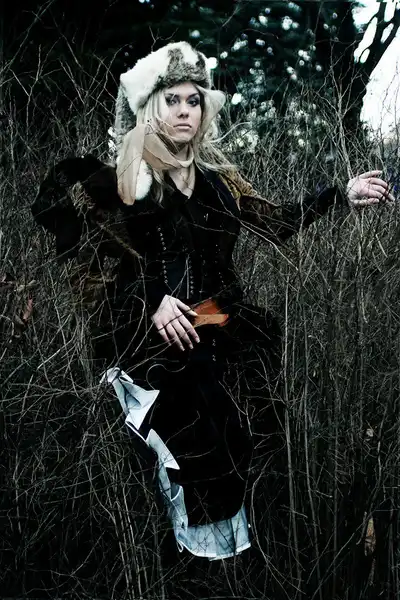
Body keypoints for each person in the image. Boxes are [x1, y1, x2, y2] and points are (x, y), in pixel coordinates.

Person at [31, 41, 394, 563]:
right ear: (150, 109)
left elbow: (273, 222)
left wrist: (340, 194)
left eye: (194, 101)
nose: (185, 111)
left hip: (217, 320)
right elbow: (92, 254)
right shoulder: (125, 177)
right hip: (147, 333)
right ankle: (182, 558)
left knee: (261, 427)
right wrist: (152, 300)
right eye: (172, 100)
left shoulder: (219, 182)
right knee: (195, 430)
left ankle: (244, 559)